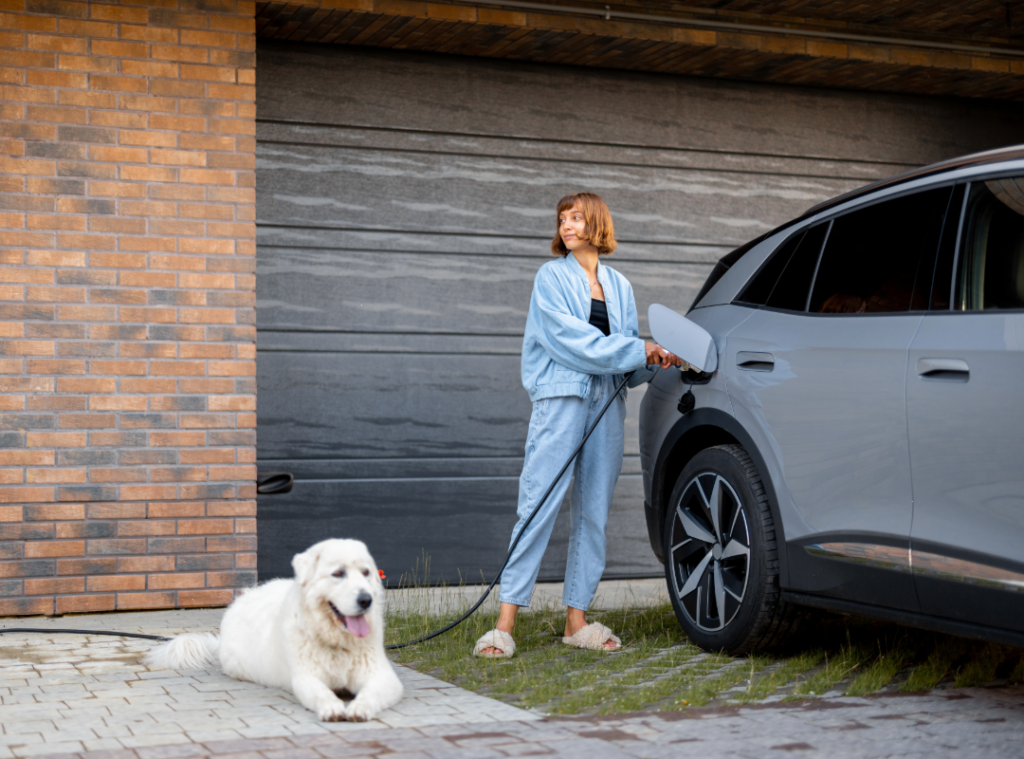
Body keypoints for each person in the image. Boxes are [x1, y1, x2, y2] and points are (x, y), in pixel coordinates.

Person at [473, 192, 682, 658]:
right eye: (562, 219)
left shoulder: (620, 286)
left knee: (593, 514)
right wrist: (635, 349)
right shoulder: (550, 278)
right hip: (562, 402)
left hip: (606, 407)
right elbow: (572, 343)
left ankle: (576, 620)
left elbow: (627, 361)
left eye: (576, 218)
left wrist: (659, 359)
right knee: (538, 505)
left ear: (597, 224)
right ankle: (504, 624)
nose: (567, 226)